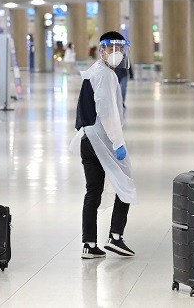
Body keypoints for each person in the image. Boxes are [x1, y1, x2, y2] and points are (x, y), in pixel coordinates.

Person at [71, 31, 137, 259]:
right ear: (102, 50)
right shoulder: (106, 76)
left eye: (120, 49)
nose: (116, 53)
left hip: (87, 139)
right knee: (125, 184)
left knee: (93, 192)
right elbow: (107, 112)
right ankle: (116, 236)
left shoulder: (94, 72)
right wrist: (118, 143)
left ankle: (89, 244)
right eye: (111, 49)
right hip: (103, 141)